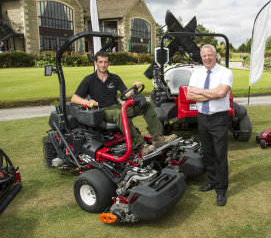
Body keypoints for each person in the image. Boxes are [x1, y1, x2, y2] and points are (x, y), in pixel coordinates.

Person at [71, 50, 176, 154]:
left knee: (146, 105)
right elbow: (74, 98)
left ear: (109, 63)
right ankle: (140, 146)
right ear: (95, 63)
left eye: (105, 62)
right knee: (119, 114)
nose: (103, 65)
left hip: (117, 107)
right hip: (103, 111)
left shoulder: (114, 78)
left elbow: (126, 94)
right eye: (100, 62)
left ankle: (157, 138)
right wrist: (87, 102)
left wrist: (134, 87)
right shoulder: (89, 80)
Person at [187, 44, 233, 206]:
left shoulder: (225, 72)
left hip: (219, 118)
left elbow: (221, 93)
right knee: (208, 153)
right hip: (203, 118)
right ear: (201, 57)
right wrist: (209, 93)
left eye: (209, 55)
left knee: (220, 155)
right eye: (204, 55)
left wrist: (199, 91)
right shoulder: (197, 72)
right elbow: (189, 95)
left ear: (215, 55)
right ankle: (213, 181)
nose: (207, 58)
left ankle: (221, 189)